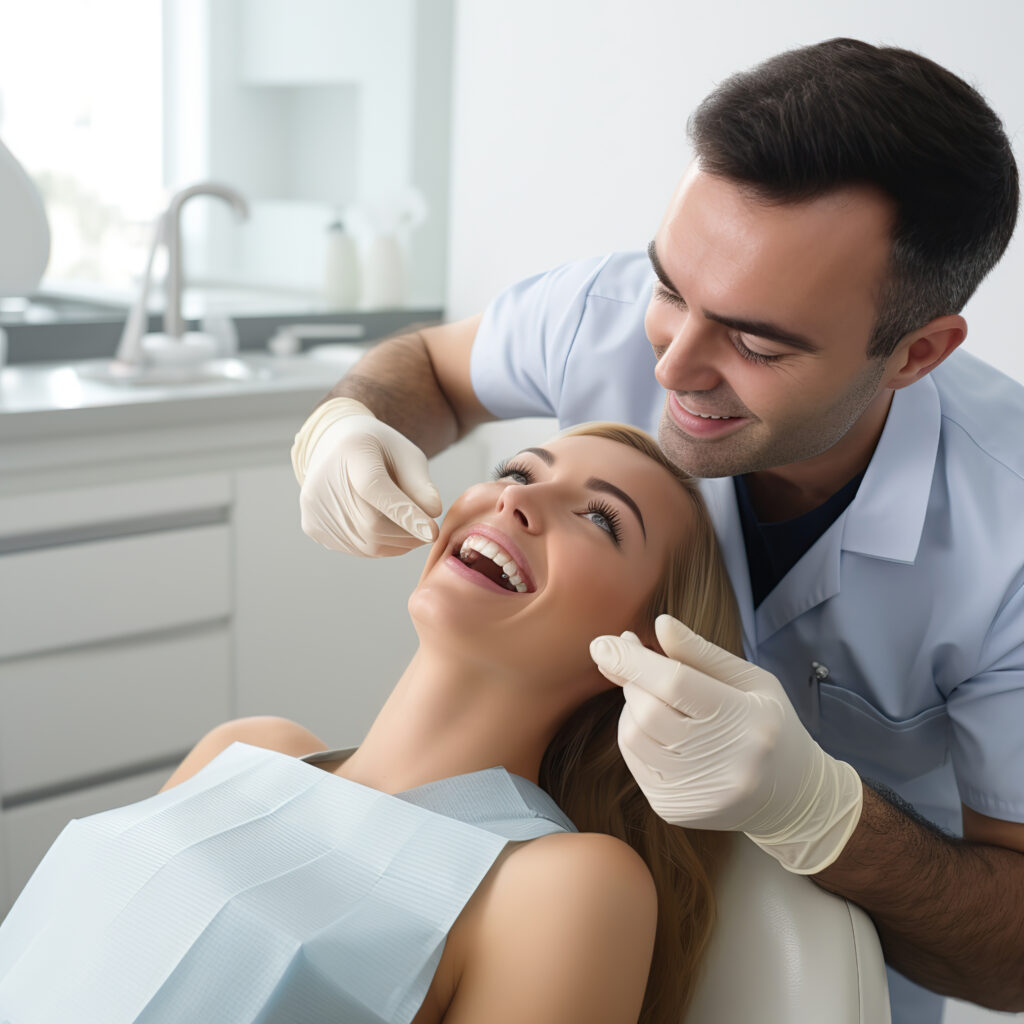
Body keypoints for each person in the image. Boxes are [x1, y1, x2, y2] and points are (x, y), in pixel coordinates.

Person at [289, 37, 1024, 1024]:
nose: (672, 366)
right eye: (671, 289)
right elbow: (429, 367)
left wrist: (819, 814)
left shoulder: (1007, 538)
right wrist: (347, 424)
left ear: (916, 352)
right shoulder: (597, 316)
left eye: (756, 341)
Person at [0, 423, 747, 1024]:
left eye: (600, 518)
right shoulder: (244, 749)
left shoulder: (563, 885)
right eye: (517, 470)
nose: (516, 500)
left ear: (649, 650)